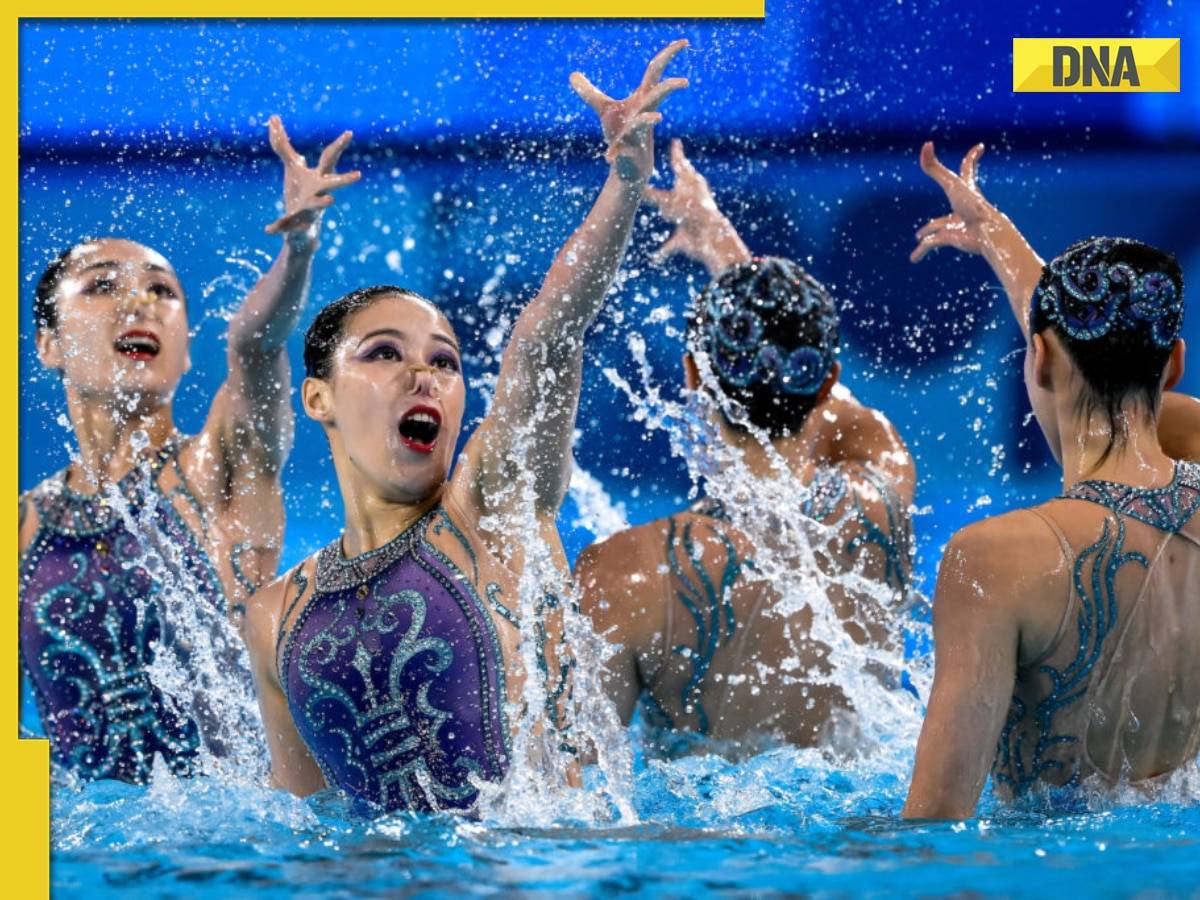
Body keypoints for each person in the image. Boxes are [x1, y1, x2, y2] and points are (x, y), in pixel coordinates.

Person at [241, 42, 689, 814]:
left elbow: (549, 334)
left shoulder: (493, 509)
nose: (425, 375)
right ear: (317, 399)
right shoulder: (276, 615)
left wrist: (623, 186)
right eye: (384, 354)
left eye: (446, 363)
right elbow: (305, 824)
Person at [18, 117, 360, 783]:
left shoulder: (221, 468)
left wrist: (299, 252)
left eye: (162, 291)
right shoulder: (21, 528)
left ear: (182, 351)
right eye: (102, 286)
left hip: (235, 855)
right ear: (49, 345)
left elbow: (255, 349)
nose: (139, 302)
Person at [575, 140, 916, 754]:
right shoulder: (882, 496)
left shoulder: (624, 570)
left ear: (691, 376)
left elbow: (567, 788)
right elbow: (846, 412)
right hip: (864, 842)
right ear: (826, 380)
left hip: (704, 839)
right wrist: (721, 245)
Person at [903, 142, 1198, 819]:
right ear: (1175, 363)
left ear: (1036, 359)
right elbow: (1133, 402)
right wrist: (1000, 239)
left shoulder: (998, 558)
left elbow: (932, 829)